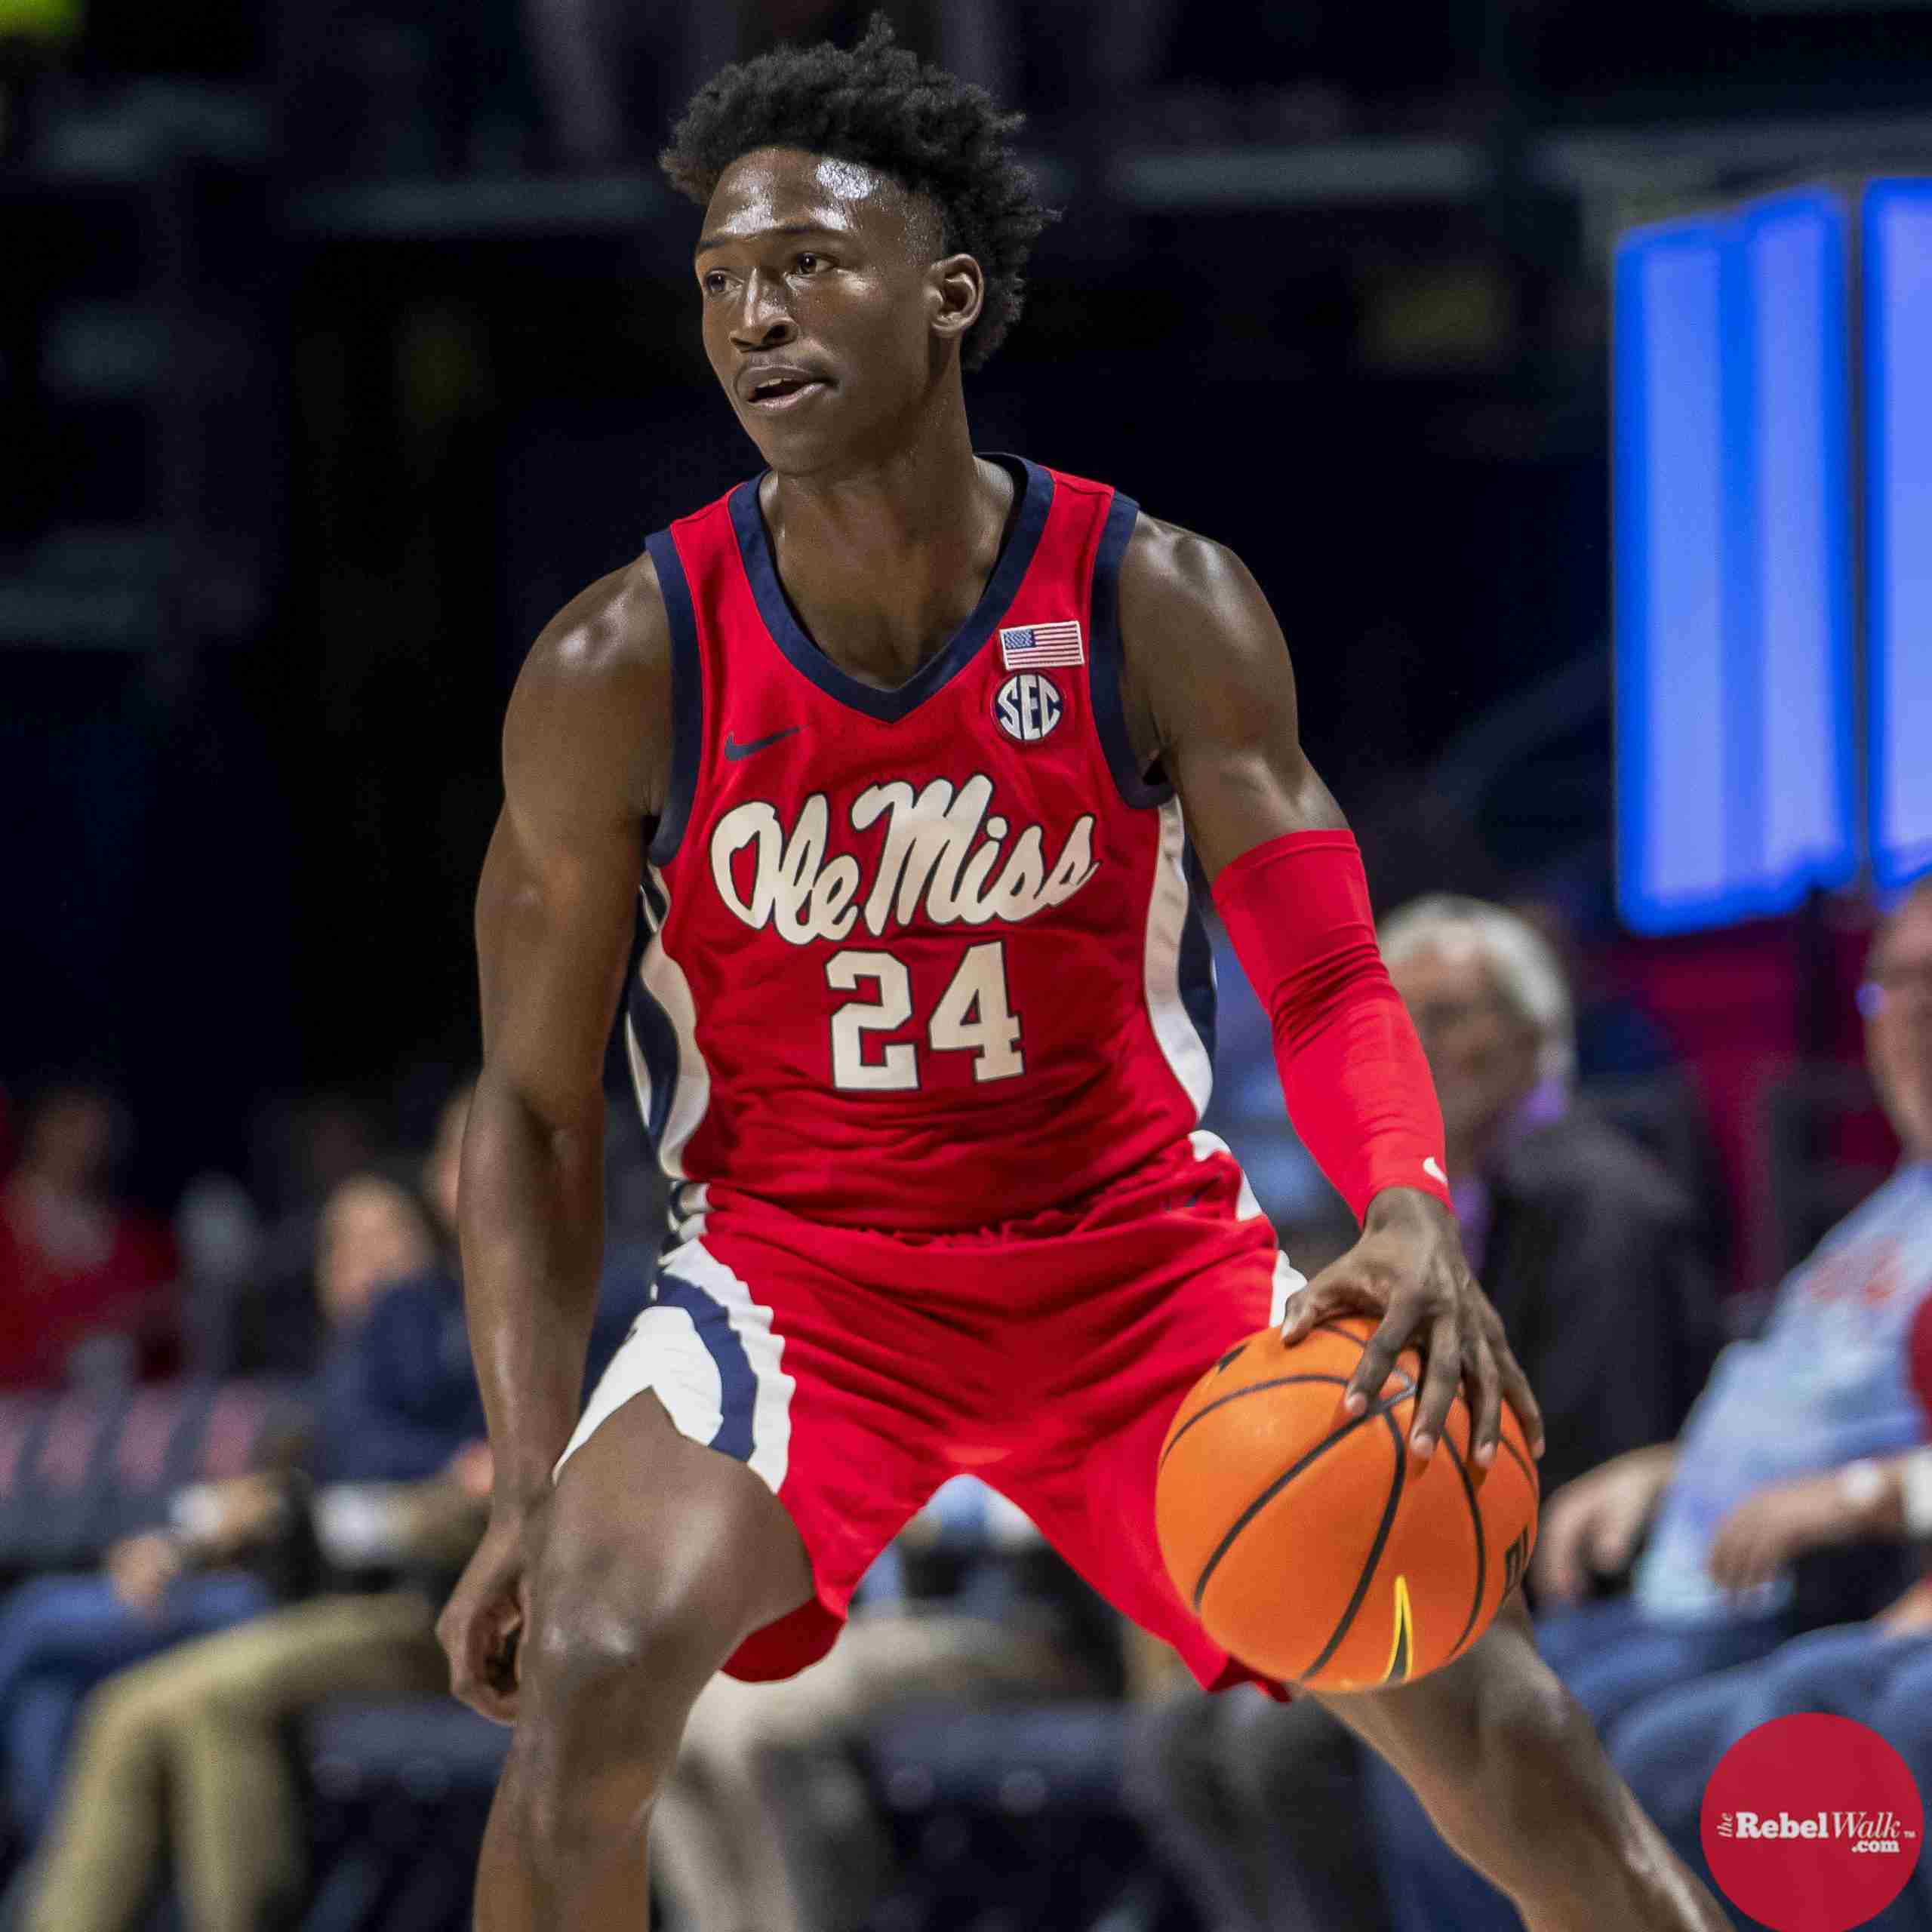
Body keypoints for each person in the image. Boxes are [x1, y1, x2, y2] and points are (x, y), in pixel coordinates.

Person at [435, 22, 1731, 1932]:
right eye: (719, 280)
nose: (752, 315)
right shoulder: (621, 661)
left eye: (808, 262)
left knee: (1482, 1704)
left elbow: (1325, 970)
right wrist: (523, 1479)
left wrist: (1401, 1197)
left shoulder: (1152, 598)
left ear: (947, 293)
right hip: (801, 1282)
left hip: (1137, 1262)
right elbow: (538, 1111)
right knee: (591, 1668)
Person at [1129, 891, 1724, 1932]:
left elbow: (1582, 1453)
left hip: (1578, 1581)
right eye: (1400, 1018)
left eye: (1450, 1014)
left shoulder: (1602, 1199)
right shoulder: (1402, 1216)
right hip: (1432, 1558)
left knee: (1282, 1744)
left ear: (1537, 1038)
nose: (1417, 1044)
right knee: (1185, 1735)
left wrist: (1368, 1548)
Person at [1369, 875, 1932, 1931]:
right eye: (1892, 985)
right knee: (1452, 1722)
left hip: (1794, 1587)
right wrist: (1669, 1469)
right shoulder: (1882, 1215)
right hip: (1692, 1574)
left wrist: (1870, 1494)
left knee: (1612, 1746)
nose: (1913, 1014)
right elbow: (1786, 1404)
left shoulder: (1593, 1197)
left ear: (1533, 1036)